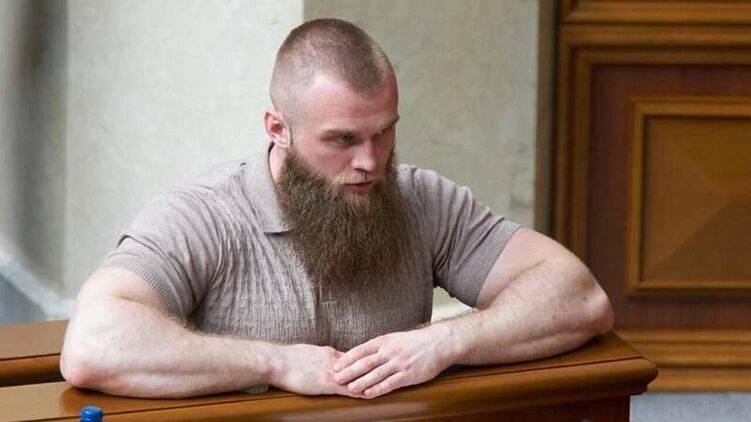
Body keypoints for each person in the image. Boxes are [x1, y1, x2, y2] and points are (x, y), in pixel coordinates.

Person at [60, 18, 613, 400]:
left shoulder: (420, 199)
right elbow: (94, 344)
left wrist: (444, 341)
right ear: (278, 128)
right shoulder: (202, 217)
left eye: (384, 132)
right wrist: (276, 362)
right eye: (342, 139)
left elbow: (578, 296)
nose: (370, 161)